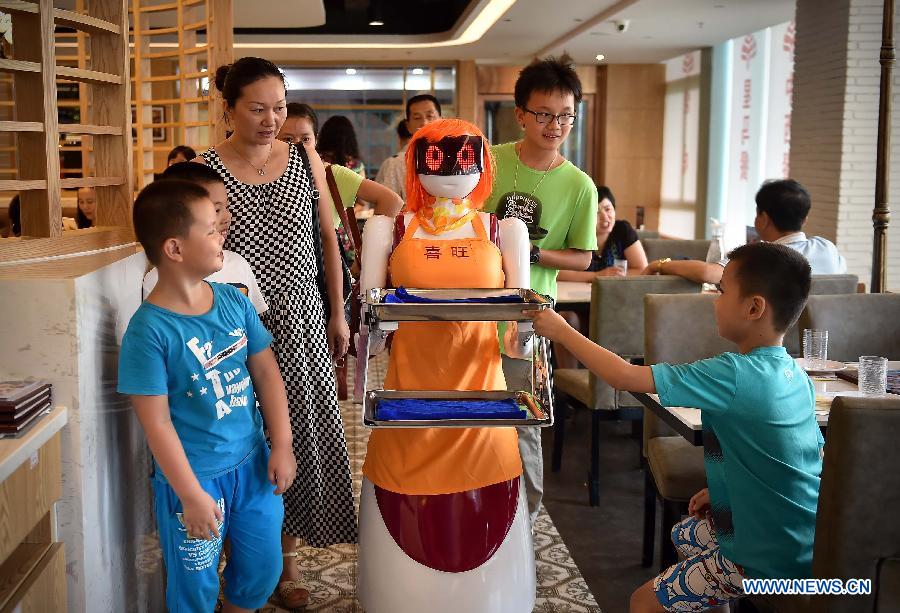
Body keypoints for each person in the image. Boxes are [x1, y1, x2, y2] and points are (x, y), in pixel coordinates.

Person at [530, 242, 823, 613]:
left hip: (761, 556)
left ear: (754, 308)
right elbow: (794, 455)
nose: (714, 301)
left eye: (721, 292)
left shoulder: (733, 373)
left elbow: (624, 376)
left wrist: (561, 330)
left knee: (642, 602)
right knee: (684, 533)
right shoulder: (795, 372)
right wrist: (721, 490)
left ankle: (730, 582)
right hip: (800, 537)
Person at [197, 56, 357, 610]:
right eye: (258, 108)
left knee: (298, 442)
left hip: (304, 317)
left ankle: (285, 569)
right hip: (233, 323)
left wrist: (338, 313)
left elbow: (328, 243)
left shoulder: (304, 156)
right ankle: (227, 565)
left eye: (280, 107)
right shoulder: (205, 168)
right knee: (240, 441)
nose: (271, 119)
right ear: (229, 109)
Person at [357, 118, 535, 613]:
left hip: (483, 398)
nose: (454, 166)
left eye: (466, 155)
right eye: (437, 155)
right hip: (407, 399)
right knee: (403, 497)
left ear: (482, 162)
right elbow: (372, 318)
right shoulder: (388, 227)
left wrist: (532, 333)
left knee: (488, 499)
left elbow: (523, 323)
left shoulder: (504, 229)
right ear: (417, 162)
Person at [117, 179, 297, 612]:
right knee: (193, 587)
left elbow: (267, 373)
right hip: (193, 479)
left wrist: (283, 444)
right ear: (175, 249)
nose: (223, 234)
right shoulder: (148, 331)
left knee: (262, 569)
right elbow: (156, 423)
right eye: (211, 228)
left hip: (253, 466)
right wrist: (191, 494)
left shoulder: (233, 302)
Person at [483, 54, 599, 525]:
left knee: (523, 419)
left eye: (566, 115)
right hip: (473, 309)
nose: (556, 125)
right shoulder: (488, 162)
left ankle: (524, 521)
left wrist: (528, 254)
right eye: (545, 114)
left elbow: (583, 258)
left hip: (527, 318)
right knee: (465, 413)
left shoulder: (579, 186)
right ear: (521, 114)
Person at [644, 179, 847, 282]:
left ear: (763, 219)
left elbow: (709, 273)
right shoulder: (828, 248)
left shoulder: (760, 254)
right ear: (805, 219)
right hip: (823, 349)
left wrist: (660, 265)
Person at [143, 162, 266, 315]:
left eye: (226, 207)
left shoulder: (238, 265)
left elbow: (254, 328)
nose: (227, 217)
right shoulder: (157, 283)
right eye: (216, 210)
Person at [555, 185, 648, 368]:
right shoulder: (573, 234)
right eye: (597, 213)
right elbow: (558, 272)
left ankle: (617, 377)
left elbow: (642, 268)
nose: (605, 217)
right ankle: (568, 385)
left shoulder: (622, 230)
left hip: (614, 303)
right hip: (578, 305)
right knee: (566, 318)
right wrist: (597, 276)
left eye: (608, 209)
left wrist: (613, 277)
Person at [374, 93, 442, 200]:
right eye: (417, 117)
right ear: (408, 126)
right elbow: (387, 206)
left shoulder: (455, 158)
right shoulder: (395, 164)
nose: (424, 122)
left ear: (441, 120)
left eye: (430, 116)